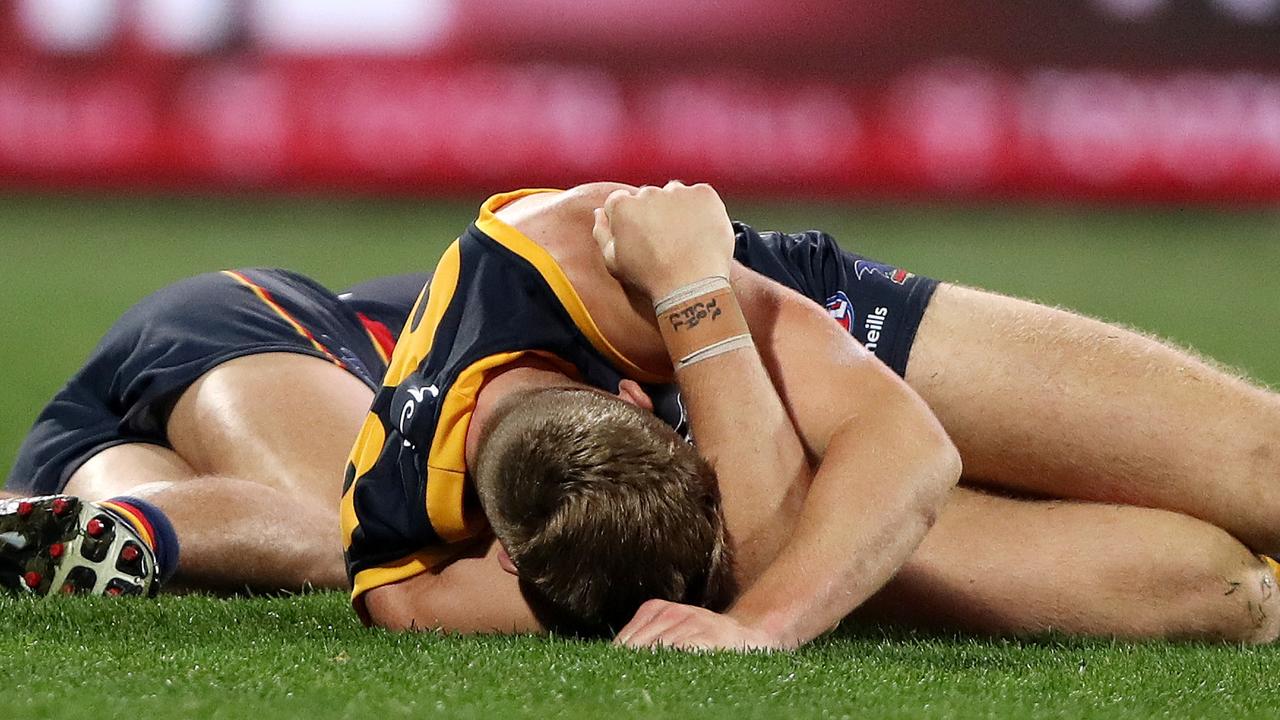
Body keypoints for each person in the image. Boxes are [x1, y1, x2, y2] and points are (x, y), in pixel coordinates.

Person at [5, 182, 1279, 649]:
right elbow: (736, 545)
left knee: (1258, 470)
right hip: (261, 355)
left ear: (641, 400)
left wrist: (761, 628)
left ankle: (115, 525)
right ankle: (96, 519)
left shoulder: (599, 252)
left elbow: (905, 445)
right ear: (509, 557)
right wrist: (727, 583)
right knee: (1222, 594)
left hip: (778, 329)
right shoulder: (406, 569)